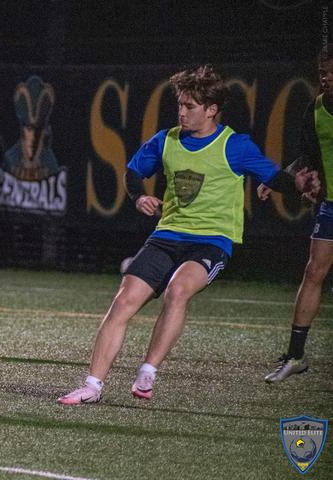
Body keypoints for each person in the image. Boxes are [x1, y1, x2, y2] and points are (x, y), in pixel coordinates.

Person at [57, 65, 319, 405]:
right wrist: (139, 197)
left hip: (211, 242)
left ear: (211, 109)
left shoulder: (234, 145)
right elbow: (133, 173)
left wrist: (296, 182)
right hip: (167, 235)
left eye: (189, 106)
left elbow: (274, 178)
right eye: (179, 104)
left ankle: (148, 371)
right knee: (122, 302)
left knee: (178, 290)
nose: (181, 112)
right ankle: (92, 386)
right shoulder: (166, 140)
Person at [261, 45, 333, 383]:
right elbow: (306, 156)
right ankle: (295, 355)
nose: (326, 78)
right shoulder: (314, 109)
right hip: (330, 205)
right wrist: (281, 180)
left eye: (331, 73)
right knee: (314, 271)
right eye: (322, 73)